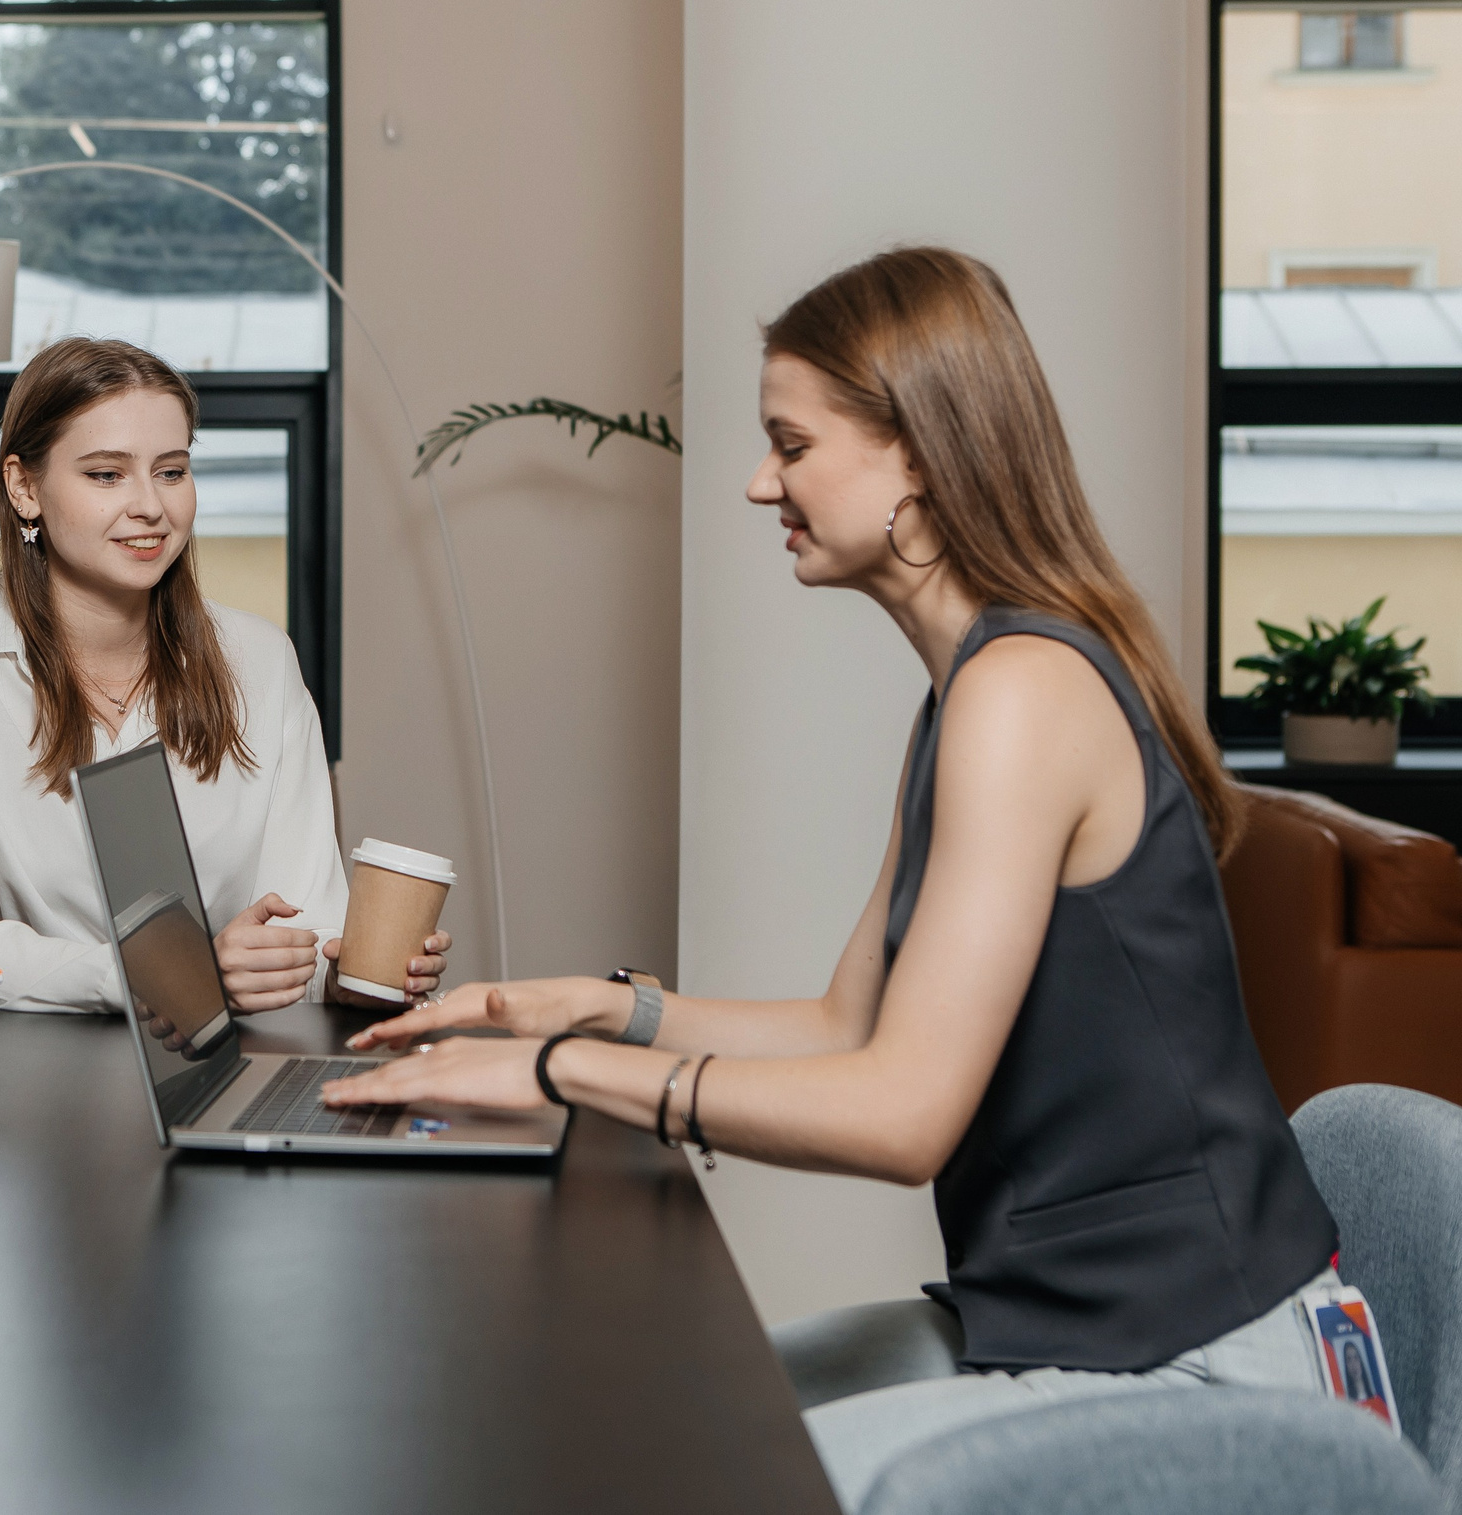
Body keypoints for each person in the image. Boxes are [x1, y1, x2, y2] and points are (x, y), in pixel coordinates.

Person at [321, 248, 1342, 1510]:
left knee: (707, 1478)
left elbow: (902, 1116)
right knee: (656, 1422)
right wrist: (592, 1007)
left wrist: (560, 1076)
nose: (760, 484)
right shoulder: (968, 693)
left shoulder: (1022, 695)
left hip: (1201, 1384)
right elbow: (844, 1029)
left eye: (790, 445)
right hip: (1059, 1329)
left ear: (914, 455)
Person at [0, 336, 450, 1014]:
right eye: (106, 474)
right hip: (17, 1078)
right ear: (24, 487)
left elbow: (303, 929)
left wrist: (352, 973)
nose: (151, 506)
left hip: (218, 1067)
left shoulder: (260, 659)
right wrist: (159, 974)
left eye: (171, 471)